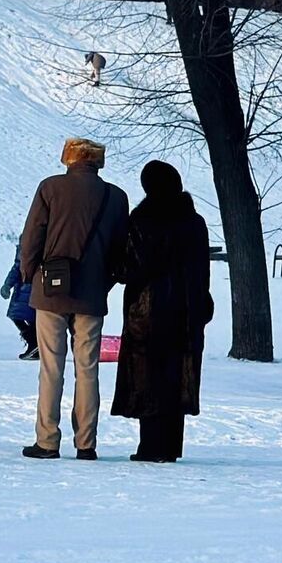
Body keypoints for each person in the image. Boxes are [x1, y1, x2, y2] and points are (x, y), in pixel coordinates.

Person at [18, 137, 129, 460]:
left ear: (69, 159)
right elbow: (120, 249)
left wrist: (29, 273)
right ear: (99, 162)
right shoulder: (116, 197)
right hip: (92, 294)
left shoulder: (50, 188)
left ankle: (48, 440)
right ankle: (86, 443)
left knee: (52, 367)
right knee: (88, 368)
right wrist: (106, 281)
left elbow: (32, 236)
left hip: (51, 290)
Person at [111, 160, 211, 463]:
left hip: (149, 311)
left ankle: (150, 446)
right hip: (187, 312)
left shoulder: (142, 219)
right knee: (176, 374)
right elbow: (202, 271)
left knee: (148, 376)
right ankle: (171, 446)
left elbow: (130, 268)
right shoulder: (195, 221)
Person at [0, 255, 38, 360]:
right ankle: (35, 344)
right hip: (32, 284)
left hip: (26, 285)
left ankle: (34, 343)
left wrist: (7, 285)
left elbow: (18, 266)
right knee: (31, 317)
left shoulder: (27, 241)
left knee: (18, 315)